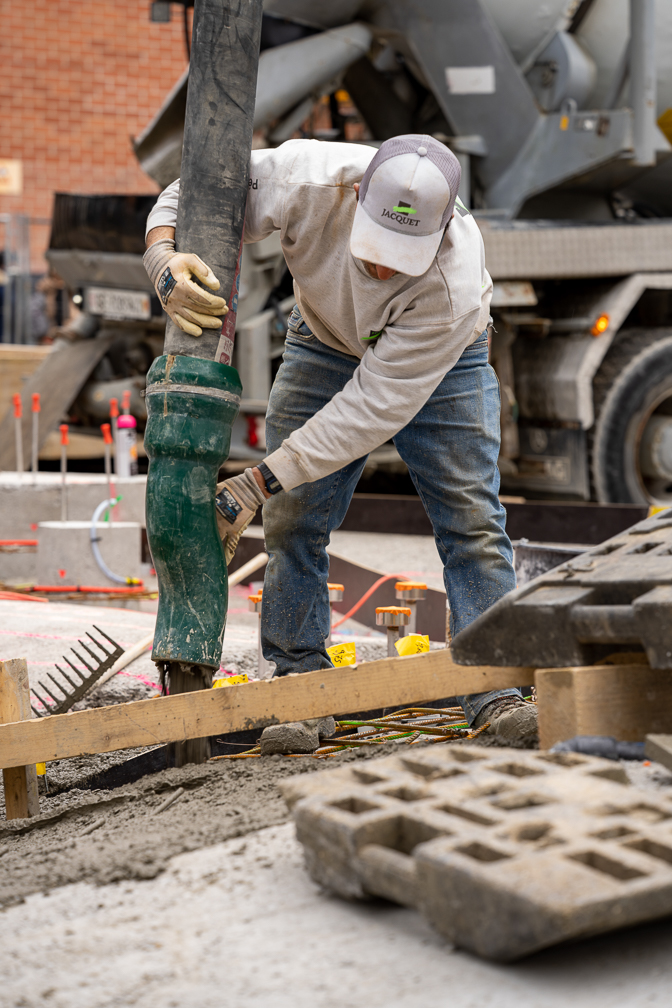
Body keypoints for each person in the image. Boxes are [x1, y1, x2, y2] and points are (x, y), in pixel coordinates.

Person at [144, 134, 537, 743]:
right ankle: (301, 684)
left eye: (402, 256)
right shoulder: (308, 178)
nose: (382, 269)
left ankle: (496, 692)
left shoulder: (452, 287)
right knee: (293, 516)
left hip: (446, 364)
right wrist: (163, 258)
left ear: (441, 233)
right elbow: (200, 189)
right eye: (376, 247)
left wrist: (253, 483)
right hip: (322, 337)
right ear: (357, 194)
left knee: (471, 521)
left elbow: (367, 414)